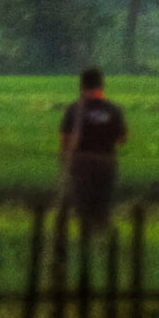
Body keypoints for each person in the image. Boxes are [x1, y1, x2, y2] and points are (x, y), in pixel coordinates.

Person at [59, 66, 127, 230]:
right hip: (106, 162)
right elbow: (123, 138)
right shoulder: (113, 110)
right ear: (101, 86)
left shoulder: (74, 110)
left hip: (81, 163)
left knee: (83, 205)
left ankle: (85, 236)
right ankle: (101, 234)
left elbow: (64, 140)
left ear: (82, 87)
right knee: (102, 204)